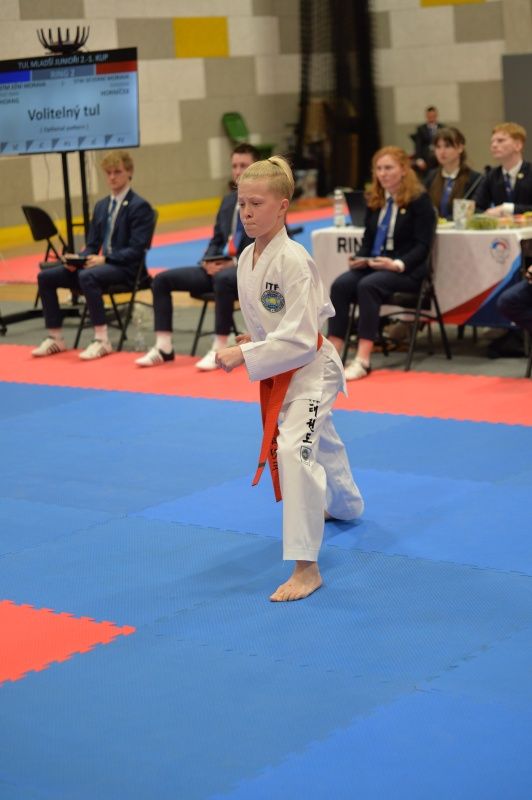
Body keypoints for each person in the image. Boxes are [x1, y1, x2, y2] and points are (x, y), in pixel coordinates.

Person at [215, 156, 364, 602]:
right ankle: (347, 505)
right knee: (322, 439)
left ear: (282, 207)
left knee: (294, 450)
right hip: (282, 370)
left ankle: (306, 567)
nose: (246, 213)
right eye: (242, 203)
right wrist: (257, 339)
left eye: (256, 204)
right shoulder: (248, 256)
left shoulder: (295, 261)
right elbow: (275, 323)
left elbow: (300, 338)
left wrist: (244, 353)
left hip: (312, 370)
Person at [135, 143, 260, 369]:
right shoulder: (228, 201)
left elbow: (263, 246)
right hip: (218, 269)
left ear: (256, 167)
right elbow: (217, 239)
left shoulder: (263, 203)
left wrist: (232, 263)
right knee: (161, 280)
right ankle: (164, 347)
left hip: (247, 271)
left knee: (223, 279)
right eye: (234, 166)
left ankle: (220, 347)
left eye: (244, 165)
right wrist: (207, 261)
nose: (238, 171)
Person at [32, 150, 154, 360]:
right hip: (101, 266)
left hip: (127, 270)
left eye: (117, 172)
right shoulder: (101, 206)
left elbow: (136, 250)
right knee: (46, 277)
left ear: (129, 172)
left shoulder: (140, 207)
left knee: (88, 276)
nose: (112, 177)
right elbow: (92, 245)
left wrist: (105, 259)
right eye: (108, 173)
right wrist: (78, 259)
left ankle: (102, 339)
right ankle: (55, 337)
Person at [327, 146, 435, 380]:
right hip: (375, 265)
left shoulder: (420, 201)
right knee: (341, 285)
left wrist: (396, 263)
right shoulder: (375, 200)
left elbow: (422, 246)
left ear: (403, 170)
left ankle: (363, 359)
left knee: (368, 286)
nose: (383, 174)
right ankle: (332, 353)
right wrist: (359, 258)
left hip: (407, 270)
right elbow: (368, 240)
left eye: (388, 168)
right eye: (379, 169)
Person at [474, 122, 532, 216]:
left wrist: (507, 209)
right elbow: (476, 207)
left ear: (518, 145)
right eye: (492, 142)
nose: (494, 145)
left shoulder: (530, 171)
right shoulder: (492, 175)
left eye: (500, 141)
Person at [425, 127, 482, 220]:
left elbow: (478, 210)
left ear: (460, 148)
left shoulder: (475, 179)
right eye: (438, 147)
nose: (442, 152)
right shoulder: (430, 177)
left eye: (447, 146)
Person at [413, 106, 444, 174]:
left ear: (436, 115)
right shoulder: (421, 129)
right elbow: (418, 145)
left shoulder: (442, 128)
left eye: (433, 115)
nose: (431, 117)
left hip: (439, 157)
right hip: (426, 158)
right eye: (430, 116)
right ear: (426, 116)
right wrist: (419, 159)